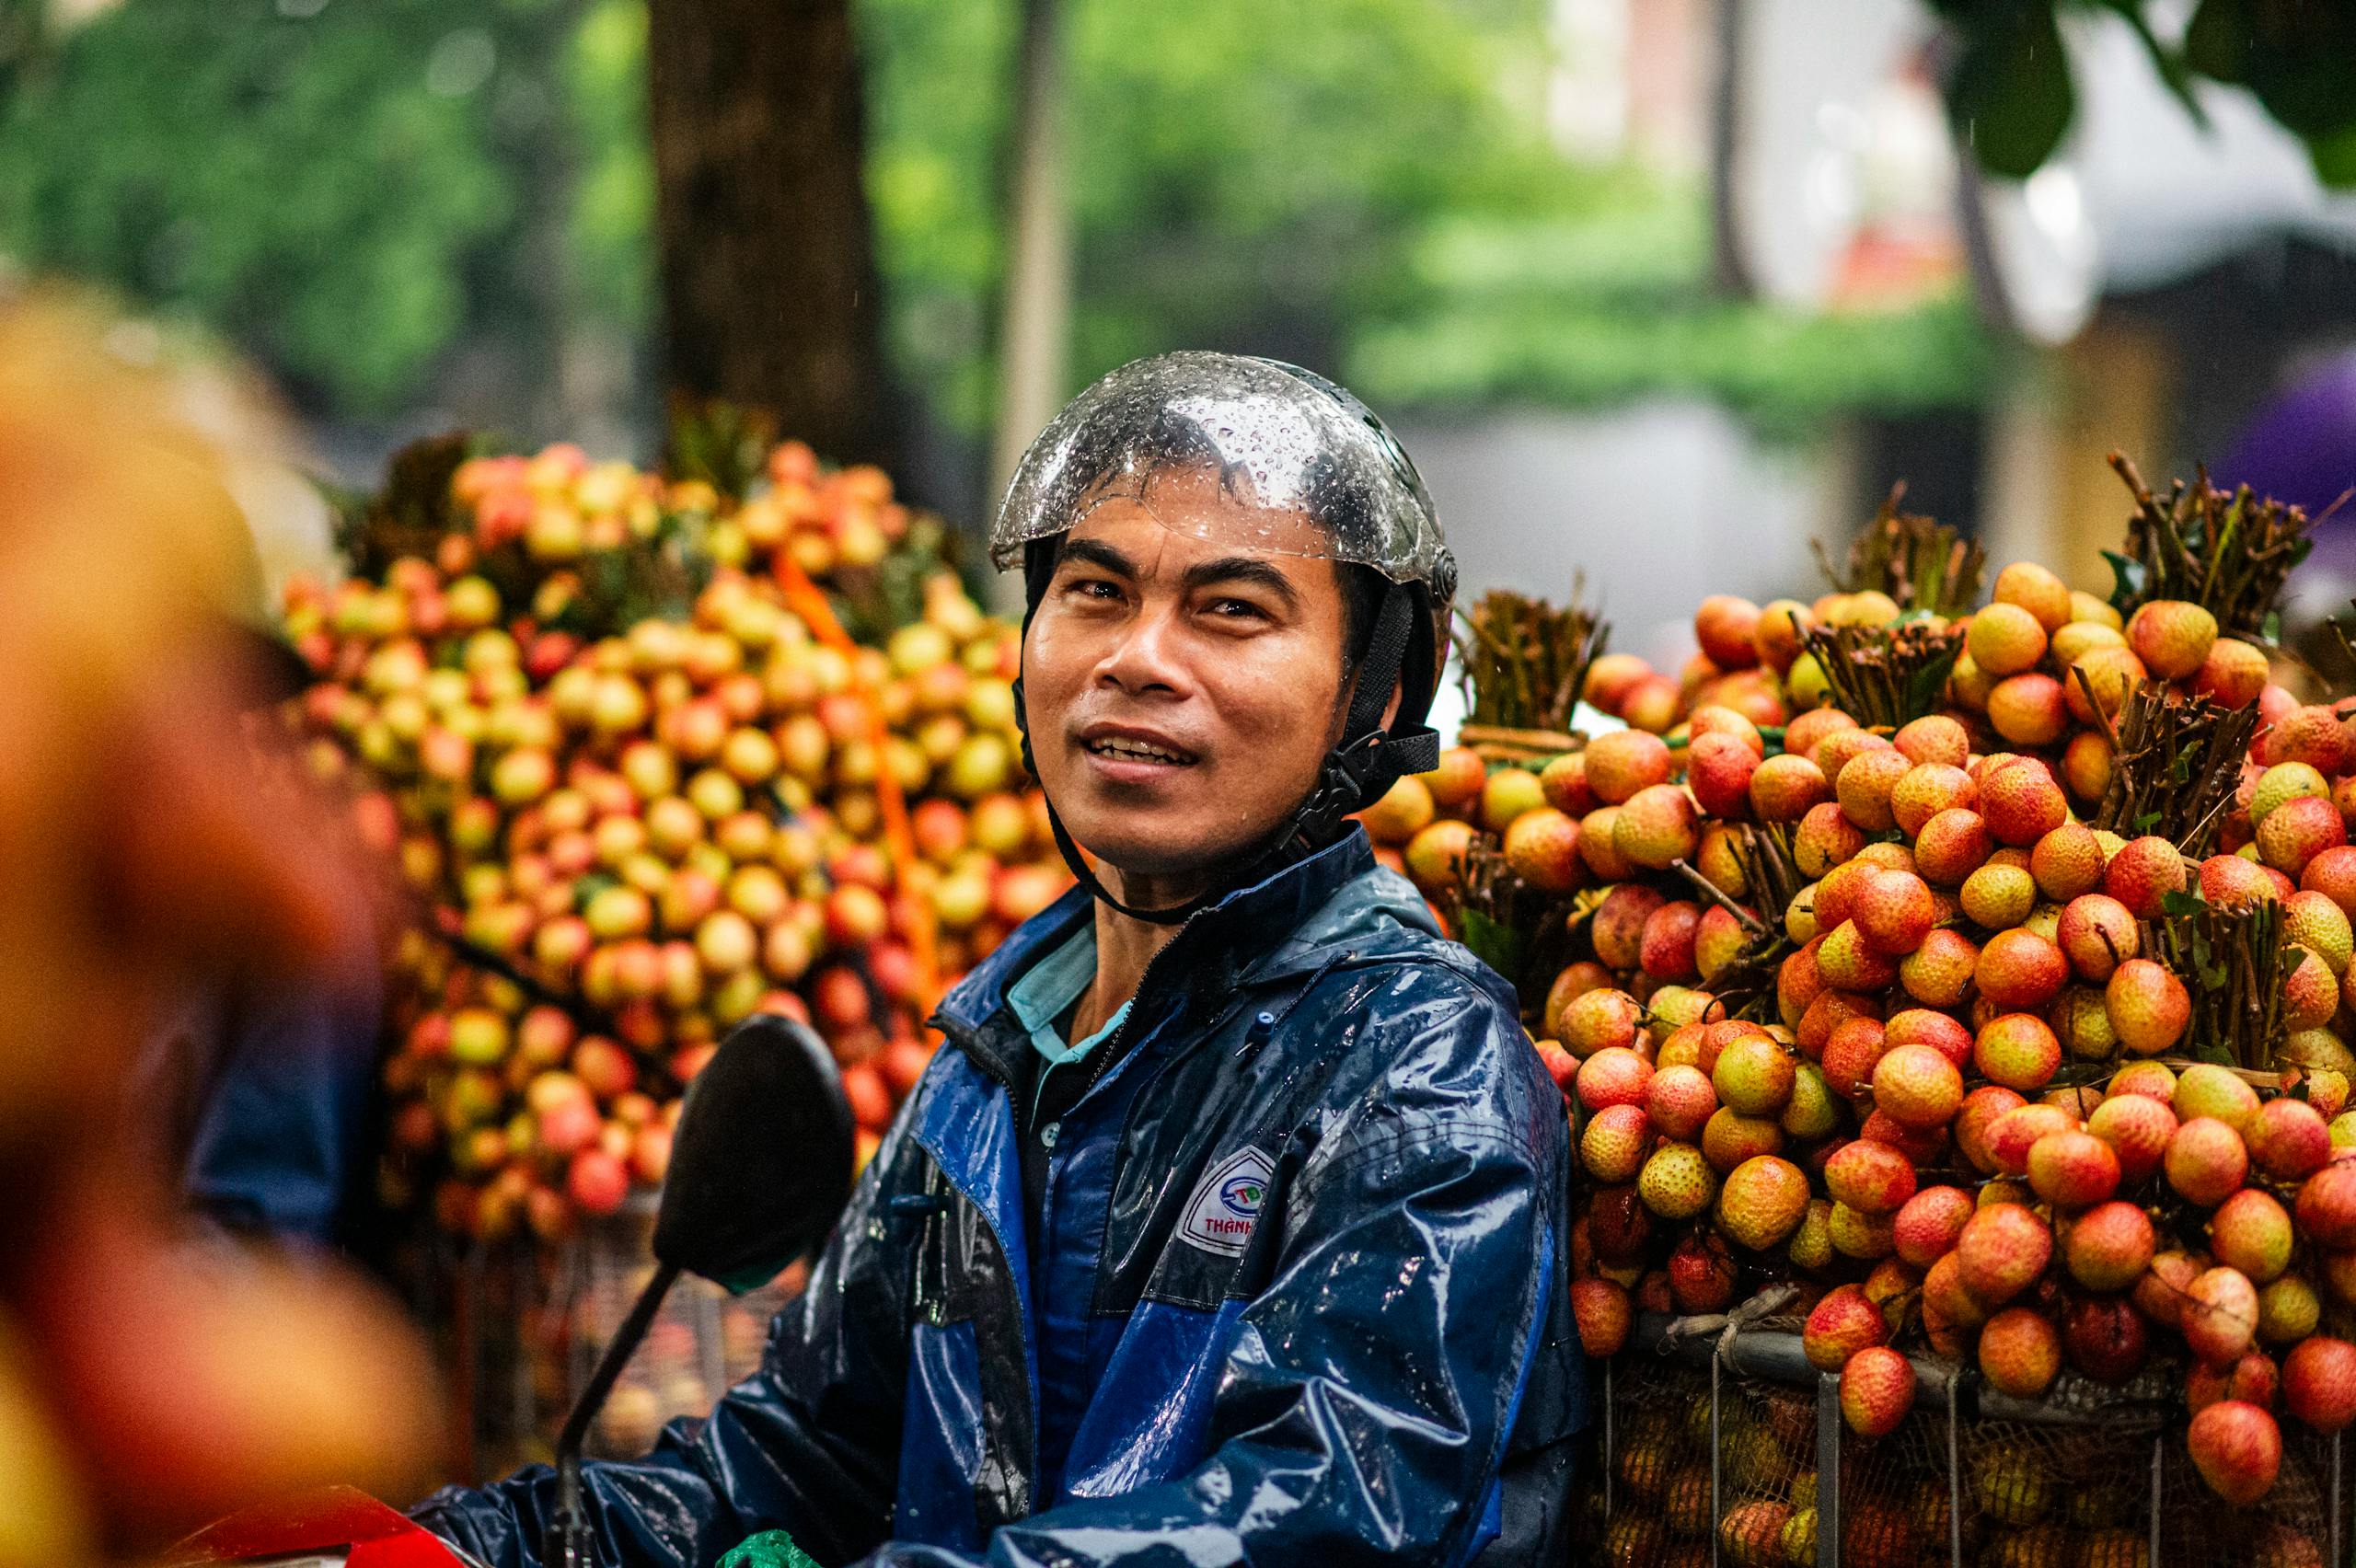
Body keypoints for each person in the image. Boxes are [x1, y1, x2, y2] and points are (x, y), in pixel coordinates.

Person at [415, 352, 1586, 1567]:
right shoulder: (991, 1055)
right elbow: (794, 1466)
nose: (1139, 656)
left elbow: (1329, 1516)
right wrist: (476, 1546)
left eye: (1230, 608)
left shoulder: (1418, 1066)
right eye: (1094, 590)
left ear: (1380, 691)